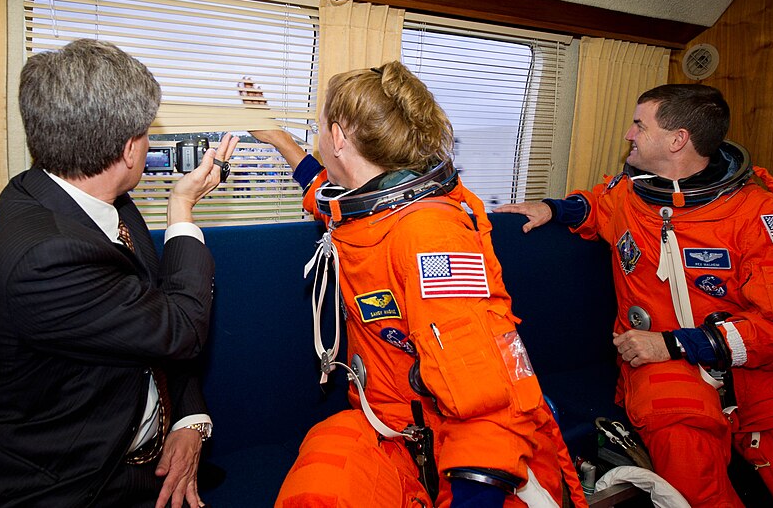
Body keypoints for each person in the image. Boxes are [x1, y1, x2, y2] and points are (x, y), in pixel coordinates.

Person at [241, 62, 587, 507]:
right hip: (390, 422)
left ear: (340, 138)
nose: (318, 140)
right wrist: (278, 139)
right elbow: (327, 196)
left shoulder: (430, 235)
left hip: (463, 446)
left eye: (319, 129)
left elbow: (487, 397)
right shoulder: (370, 208)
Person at [0, 38, 239, 507]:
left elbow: (148, 311)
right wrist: (182, 208)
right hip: (76, 481)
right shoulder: (45, 256)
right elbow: (180, 327)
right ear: (130, 148)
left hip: (147, 440)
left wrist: (188, 419)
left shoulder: (84, 197)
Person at [496, 84, 773, 507]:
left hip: (745, 372)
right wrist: (553, 209)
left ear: (677, 139)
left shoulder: (755, 215)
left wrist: (676, 343)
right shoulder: (632, 194)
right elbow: (595, 207)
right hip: (661, 371)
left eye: (639, 125)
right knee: (693, 474)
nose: (628, 134)